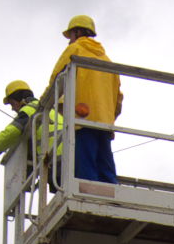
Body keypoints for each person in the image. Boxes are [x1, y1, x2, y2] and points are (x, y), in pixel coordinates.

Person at [47, 13, 122, 183]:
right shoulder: (108, 62)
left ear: (78, 32)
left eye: (71, 35)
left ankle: (89, 195)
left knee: (85, 168)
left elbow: (56, 80)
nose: (69, 41)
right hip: (104, 123)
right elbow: (118, 99)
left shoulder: (75, 50)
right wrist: (109, 118)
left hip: (82, 119)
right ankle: (112, 196)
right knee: (106, 166)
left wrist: (46, 103)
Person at [0, 80, 63, 184]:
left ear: (16, 100)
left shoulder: (29, 110)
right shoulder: (51, 111)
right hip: (66, 157)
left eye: (11, 103)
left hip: (55, 160)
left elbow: (11, 133)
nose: (12, 108)